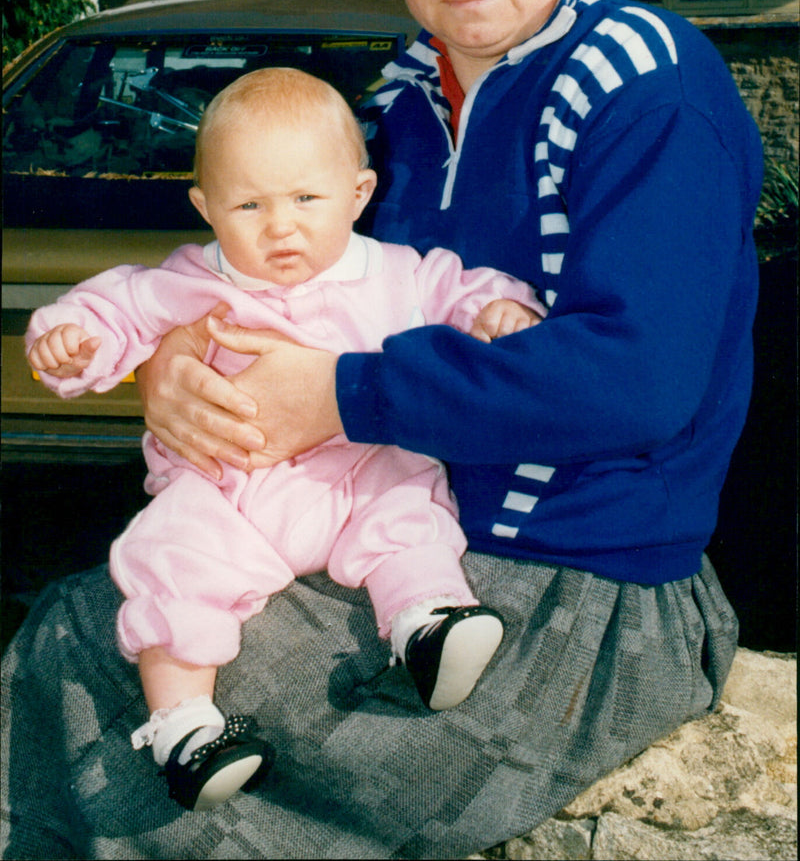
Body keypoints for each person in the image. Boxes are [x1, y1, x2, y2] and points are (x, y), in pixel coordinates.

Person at [2, 0, 763, 860]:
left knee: (109, 711)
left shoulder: (645, 84)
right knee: (88, 625)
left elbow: (638, 378)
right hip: (391, 531)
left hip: (574, 589)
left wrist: (339, 393)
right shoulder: (404, 100)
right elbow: (299, 273)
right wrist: (170, 356)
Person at [24, 67, 543, 812]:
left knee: (408, 497)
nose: (281, 226)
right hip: (229, 487)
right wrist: (73, 339)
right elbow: (117, 305)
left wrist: (498, 311)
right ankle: (184, 725)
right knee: (170, 558)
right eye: (248, 204)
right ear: (205, 206)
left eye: (307, 198)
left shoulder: (396, 273)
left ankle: (427, 618)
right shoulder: (193, 278)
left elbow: (462, 290)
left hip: (352, 469)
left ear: (359, 193)